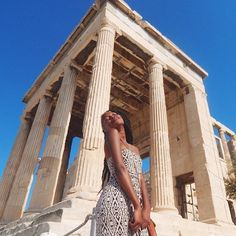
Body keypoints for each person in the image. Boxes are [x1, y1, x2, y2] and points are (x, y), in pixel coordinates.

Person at [95, 110, 151, 235]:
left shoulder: (135, 149)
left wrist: (147, 208)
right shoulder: (112, 133)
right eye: (107, 118)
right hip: (117, 198)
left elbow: (140, 178)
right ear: (105, 127)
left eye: (113, 114)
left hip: (133, 201)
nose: (112, 116)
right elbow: (120, 168)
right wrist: (138, 206)